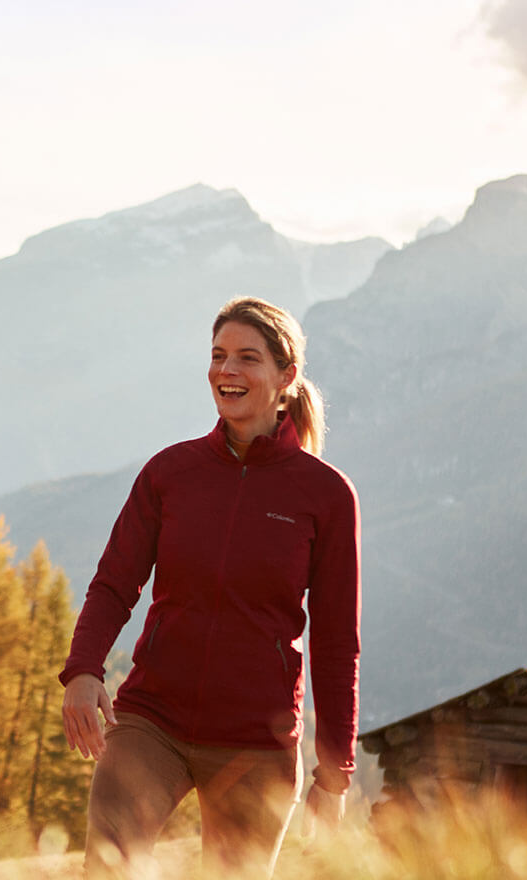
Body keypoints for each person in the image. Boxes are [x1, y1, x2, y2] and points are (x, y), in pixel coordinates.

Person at [58, 297, 360, 878]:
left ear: (286, 377)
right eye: (219, 356)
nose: (227, 371)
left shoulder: (325, 495)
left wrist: (335, 773)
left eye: (247, 358)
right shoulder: (171, 473)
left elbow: (337, 639)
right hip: (153, 721)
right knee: (108, 869)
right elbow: (115, 582)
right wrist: (84, 669)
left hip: (256, 742)